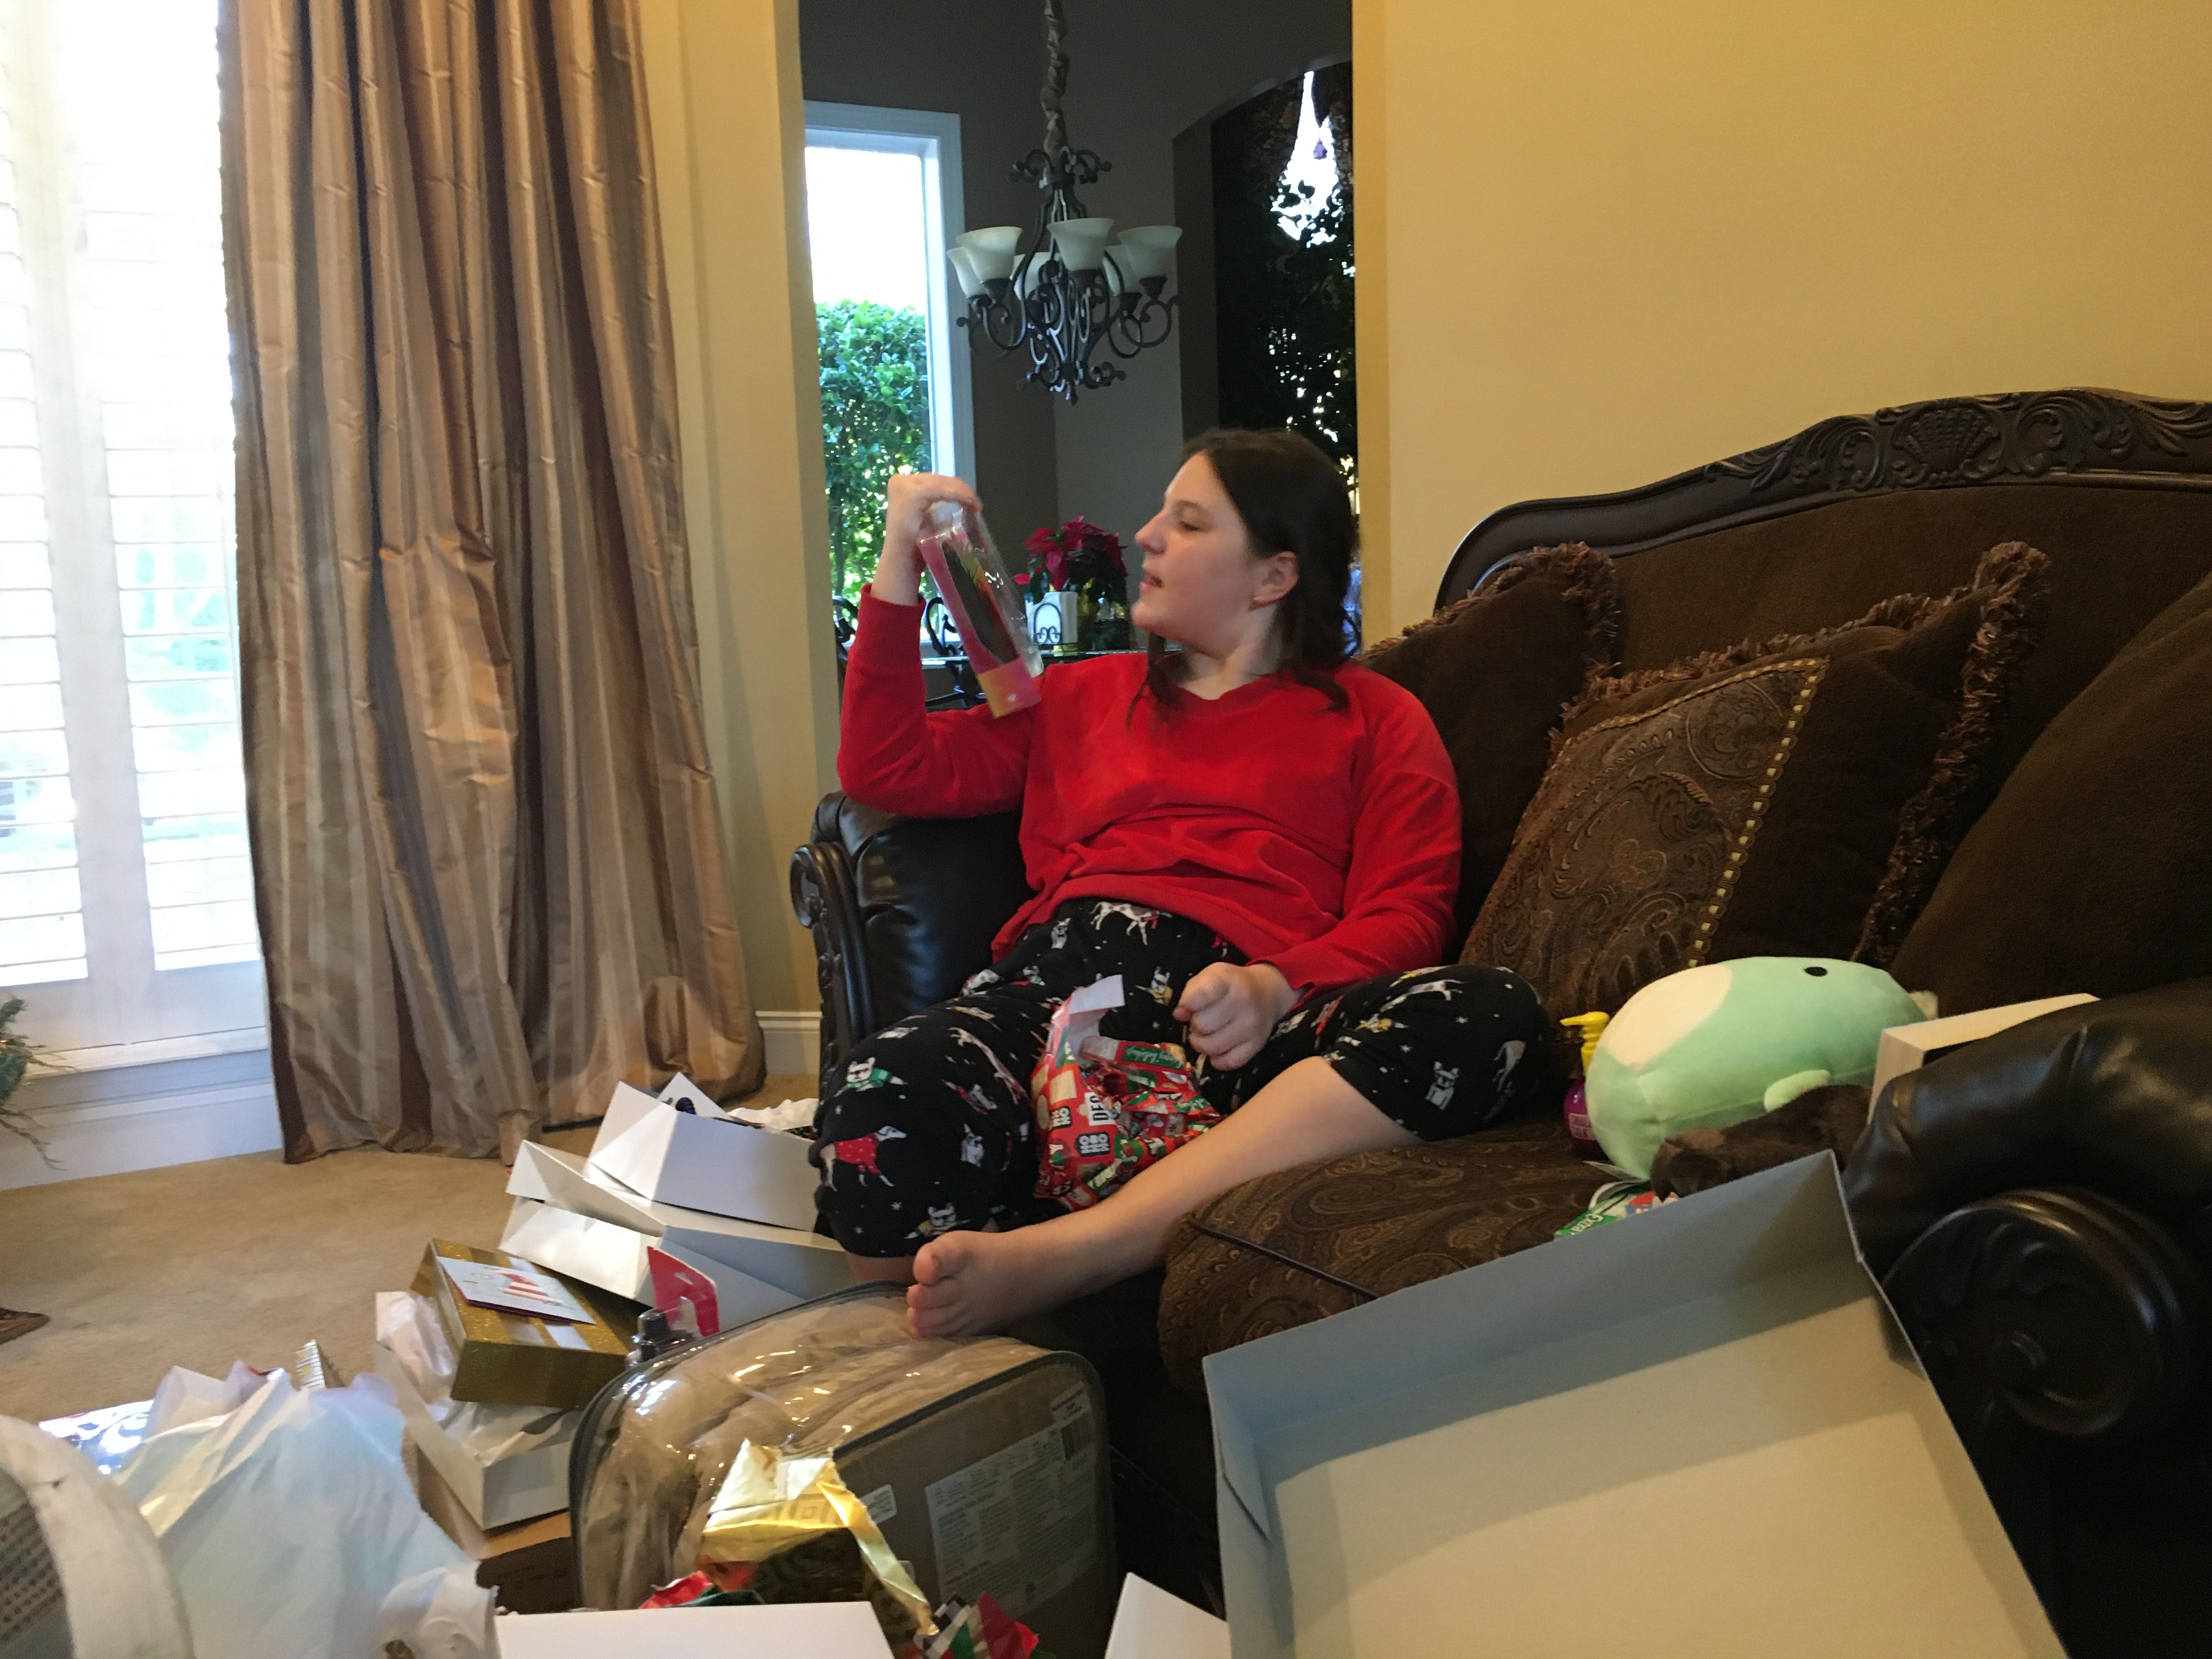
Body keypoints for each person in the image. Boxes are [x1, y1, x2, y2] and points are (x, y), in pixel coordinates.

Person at [816, 428, 1561, 1339]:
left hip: (1242, 1032)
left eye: (1189, 521)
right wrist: (900, 566)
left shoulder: (1379, 719)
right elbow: (886, 768)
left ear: (1274, 576)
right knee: (879, 1088)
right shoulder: (1081, 697)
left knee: (1494, 1015)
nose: (1147, 536)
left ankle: (1083, 1248)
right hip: (1059, 1007)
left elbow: (1407, 913)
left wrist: (1274, 985)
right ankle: (966, 1324)